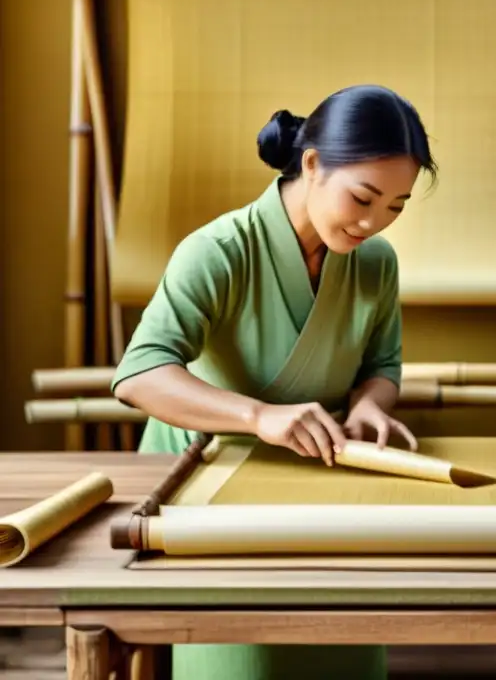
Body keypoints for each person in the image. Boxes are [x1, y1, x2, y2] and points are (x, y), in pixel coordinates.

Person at [111, 83, 437, 680]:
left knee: (347, 645)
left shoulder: (375, 262)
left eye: (395, 206)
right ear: (312, 165)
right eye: (363, 197)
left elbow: (382, 367)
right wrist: (258, 417)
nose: (373, 222)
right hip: (203, 491)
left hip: (321, 481)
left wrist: (369, 406)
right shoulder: (217, 251)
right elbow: (140, 374)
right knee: (245, 658)